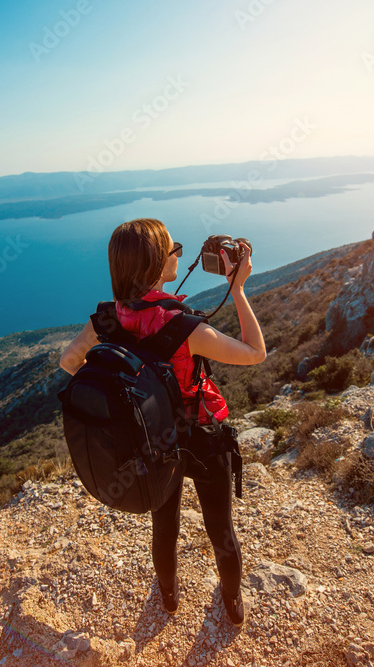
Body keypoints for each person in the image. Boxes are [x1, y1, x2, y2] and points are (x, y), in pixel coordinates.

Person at [59, 218, 266, 627]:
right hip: (202, 436)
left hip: (150, 440)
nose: (178, 254)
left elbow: (69, 362)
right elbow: (255, 352)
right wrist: (237, 289)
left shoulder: (106, 319)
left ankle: (168, 596)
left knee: (164, 523)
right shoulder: (185, 327)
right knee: (219, 527)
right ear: (155, 263)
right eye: (174, 248)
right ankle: (231, 602)